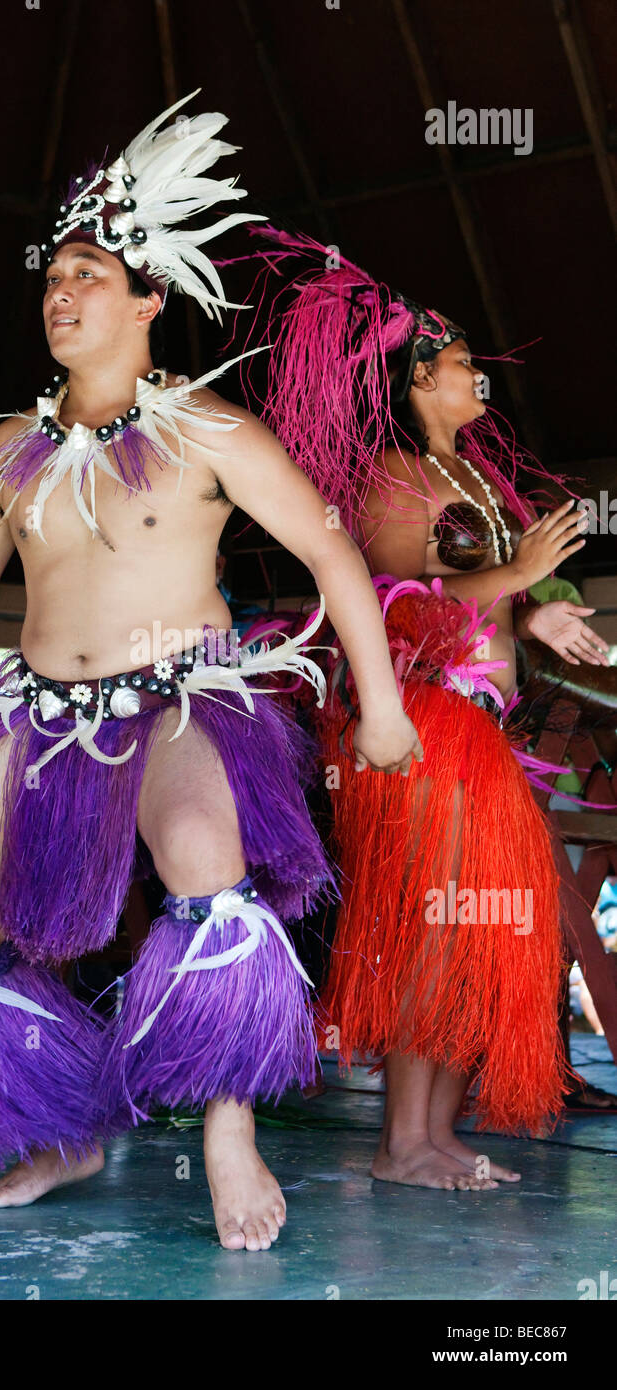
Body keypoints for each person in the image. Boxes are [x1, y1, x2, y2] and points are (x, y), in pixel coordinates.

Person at [0, 95, 420, 1253]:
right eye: (50, 276)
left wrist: (383, 707)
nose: (58, 293)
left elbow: (326, 550)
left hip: (180, 697)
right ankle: (65, 1128)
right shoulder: (9, 449)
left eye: (86, 275)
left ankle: (225, 1128)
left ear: (150, 298)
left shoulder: (211, 432)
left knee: (206, 867)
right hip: (34, 709)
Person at [251, 231, 611, 1190]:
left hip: (483, 733)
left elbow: (483, 590)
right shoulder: (394, 477)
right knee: (435, 927)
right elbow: (399, 598)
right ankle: (400, 1142)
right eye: (458, 365)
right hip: (423, 721)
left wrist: (540, 611)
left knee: (487, 933)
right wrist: (520, 575)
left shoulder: (476, 480)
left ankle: (436, 1133)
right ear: (417, 382)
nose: (475, 376)